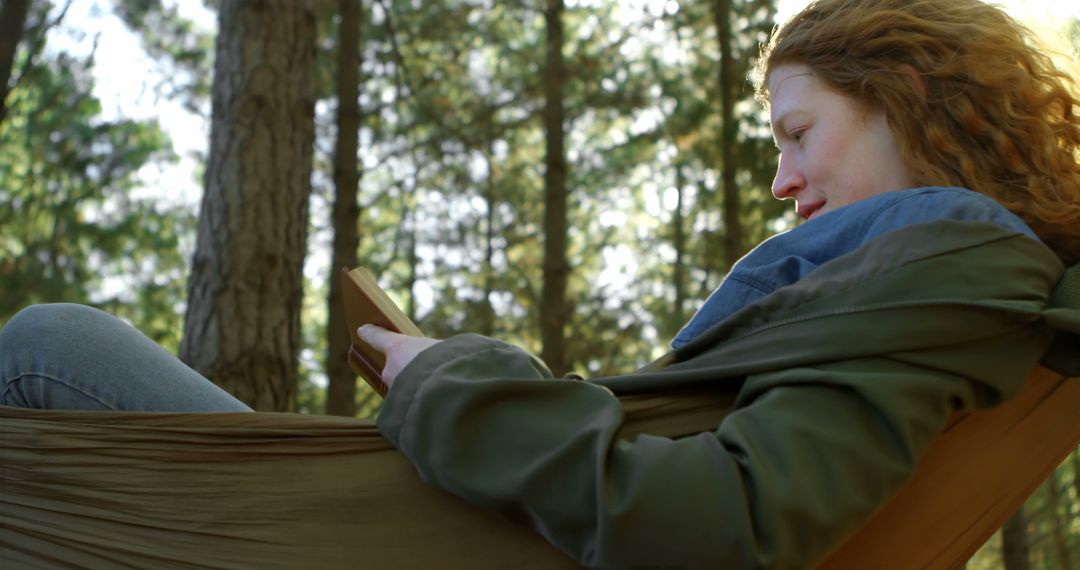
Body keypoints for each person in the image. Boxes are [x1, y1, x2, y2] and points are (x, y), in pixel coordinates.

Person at [1, 0, 1078, 567]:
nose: (785, 182)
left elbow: (728, 522)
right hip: (460, 541)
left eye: (799, 134)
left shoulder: (950, 266)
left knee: (51, 351)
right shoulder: (939, 282)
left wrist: (449, 384)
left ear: (913, 99)